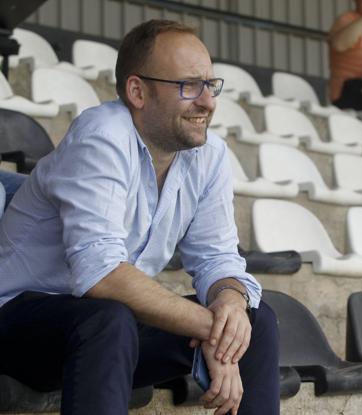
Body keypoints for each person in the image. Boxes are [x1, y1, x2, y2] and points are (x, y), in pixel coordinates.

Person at [0, 20, 279, 415]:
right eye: (189, 86)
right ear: (138, 91)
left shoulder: (209, 154)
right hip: (16, 324)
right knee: (107, 318)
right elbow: (101, 273)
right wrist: (210, 328)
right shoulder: (101, 135)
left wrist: (229, 308)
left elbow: (218, 259)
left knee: (256, 319)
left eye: (210, 85)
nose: (207, 101)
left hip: (108, 340)